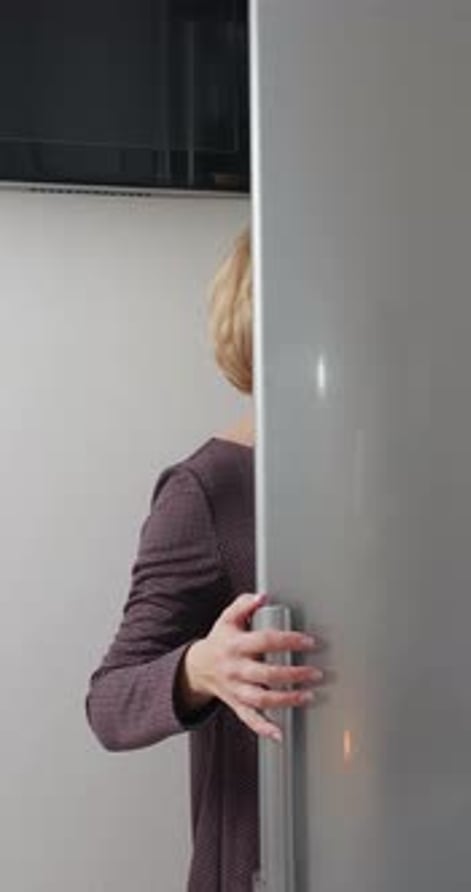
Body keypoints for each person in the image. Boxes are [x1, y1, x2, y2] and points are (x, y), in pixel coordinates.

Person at [85, 227, 322, 892]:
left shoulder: (388, 483)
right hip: (263, 866)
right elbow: (108, 702)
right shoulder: (207, 488)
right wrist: (200, 667)